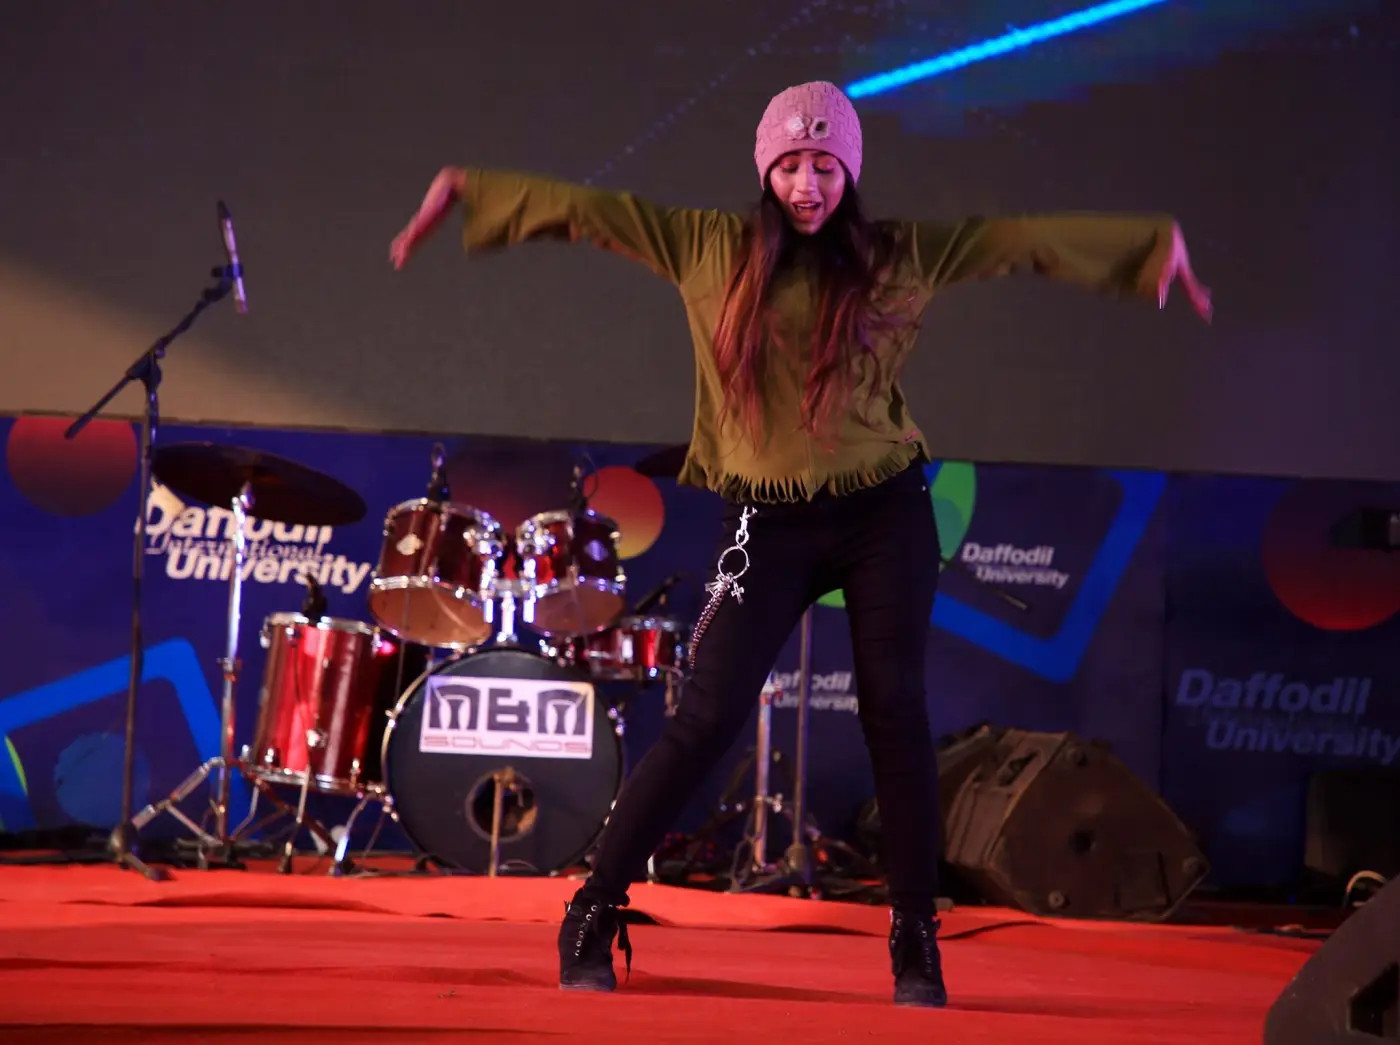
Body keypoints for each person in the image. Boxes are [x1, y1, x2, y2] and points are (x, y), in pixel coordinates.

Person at [389, 80, 1211, 1008]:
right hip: (765, 520)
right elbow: (593, 214)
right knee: (705, 718)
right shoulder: (709, 248)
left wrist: (1151, 246)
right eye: (789, 165)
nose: (807, 184)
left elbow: (1013, 242)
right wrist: (468, 188)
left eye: (825, 165)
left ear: (849, 170)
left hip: (883, 510)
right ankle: (593, 907)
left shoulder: (896, 255)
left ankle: (915, 938)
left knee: (895, 711)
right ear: (765, 170)